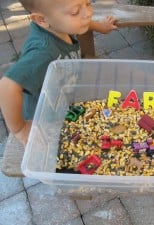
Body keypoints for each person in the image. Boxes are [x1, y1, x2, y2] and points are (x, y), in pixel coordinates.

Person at [0, 0, 118, 147]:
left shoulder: (59, 25)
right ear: (41, 19)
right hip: (43, 118)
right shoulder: (42, 52)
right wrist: (20, 129)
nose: (88, 13)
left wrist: (100, 26)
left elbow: (81, 22)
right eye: (75, 11)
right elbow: (7, 86)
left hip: (64, 97)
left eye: (87, 3)